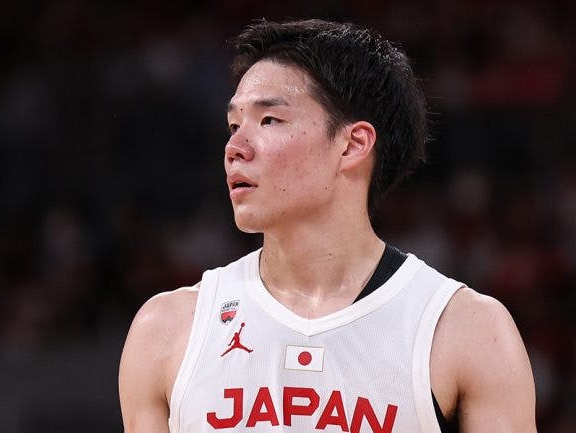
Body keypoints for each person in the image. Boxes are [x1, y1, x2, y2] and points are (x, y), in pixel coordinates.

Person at [119, 19, 537, 433]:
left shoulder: (465, 331)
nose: (234, 148)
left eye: (269, 120)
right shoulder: (167, 330)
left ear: (353, 144)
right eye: (234, 125)